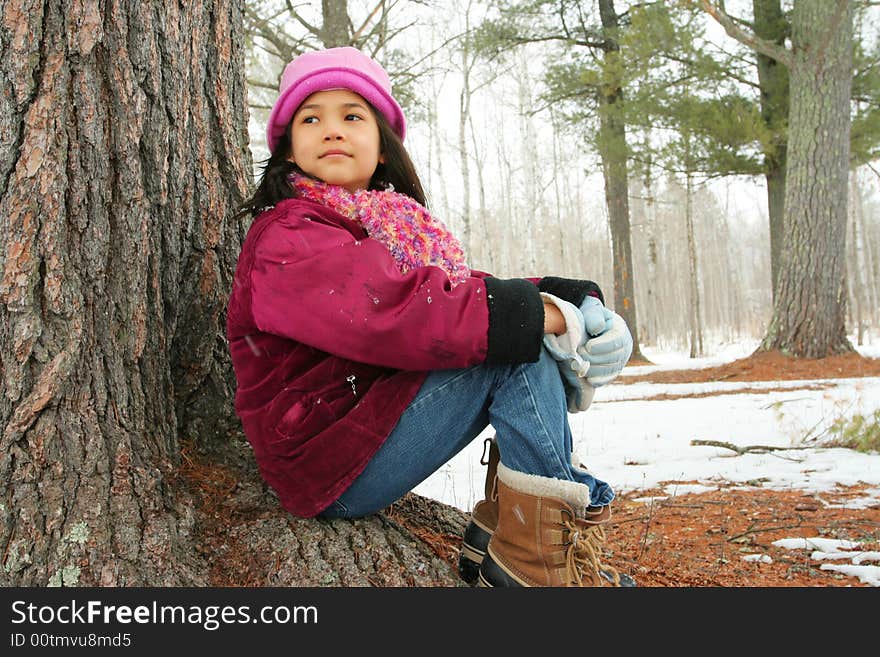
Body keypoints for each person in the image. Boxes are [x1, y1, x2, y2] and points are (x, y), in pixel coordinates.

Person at [226, 46, 635, 587]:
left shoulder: (387, 226)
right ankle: (533, 564)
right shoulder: (290, 237)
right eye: (310, 118)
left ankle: (510, 537)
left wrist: (572, 299)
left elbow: (454, 292)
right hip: (324, 461)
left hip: (358, 432)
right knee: (513, 344)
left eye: (351, 116)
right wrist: (548, 318)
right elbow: (403, 311)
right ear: (287, 147)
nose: (331, 130)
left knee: (513, 331)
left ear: (382, 143)